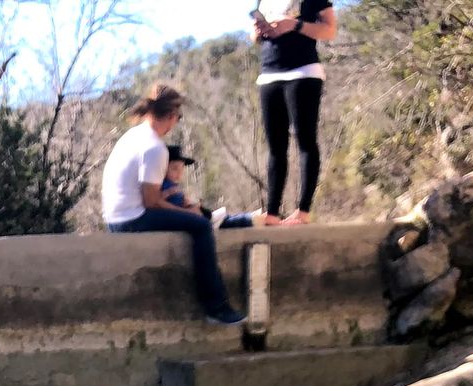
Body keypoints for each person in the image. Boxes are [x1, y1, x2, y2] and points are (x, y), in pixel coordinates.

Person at [101, 84, 247, 326]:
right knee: (201, 227)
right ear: (171, 115)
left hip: (115, 217)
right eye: (178, 117)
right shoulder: (155, 148)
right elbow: (151, 202)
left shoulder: (133, 136)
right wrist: (189, 213)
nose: (177, 122)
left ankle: (217, 306)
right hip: (131, 218)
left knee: (195, 218)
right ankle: (216, 307)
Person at [252, 0, 338, 226]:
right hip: (269, 74)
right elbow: (256, 38)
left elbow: (330, 30)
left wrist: (295, 25)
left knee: (305, 140)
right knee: (275, 147)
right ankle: (272, 213)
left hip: (303, 71)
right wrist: (259, 31)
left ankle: (303, 211)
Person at [161, 146, 255, 229]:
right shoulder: (163, 185)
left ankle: (251, 217)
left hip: (194, 215)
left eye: (182, 169)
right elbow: (160, 202)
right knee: (224, 222)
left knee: (224, 219)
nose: (179, 173)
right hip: (185, 218)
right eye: (175, 169)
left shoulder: (173, 185)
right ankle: (251, 218)